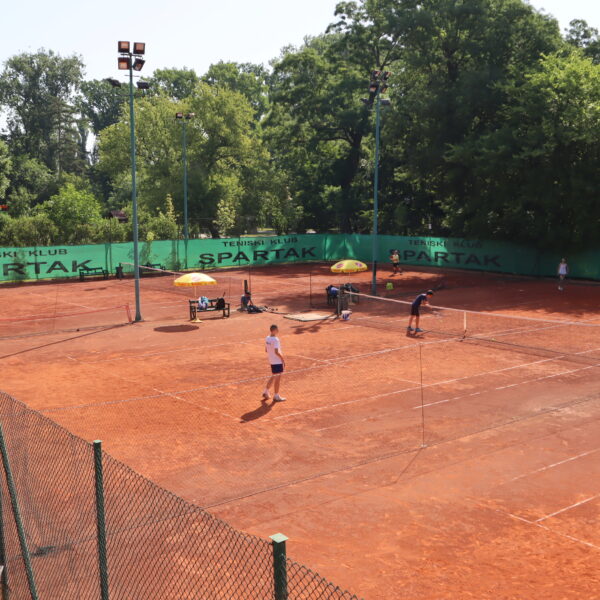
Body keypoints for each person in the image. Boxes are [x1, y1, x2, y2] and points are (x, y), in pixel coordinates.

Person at [263, 324, 286, 402]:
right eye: (277, 329)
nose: (278, 331)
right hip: (277, 361)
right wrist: (282, 359)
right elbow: (276, 352)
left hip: (271, 361)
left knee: (273, 376)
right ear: (274, 330)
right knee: (277, 379)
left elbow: (266, 350)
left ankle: (266, 391)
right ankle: (276, 396)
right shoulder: (276, 339)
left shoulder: (267, 338)